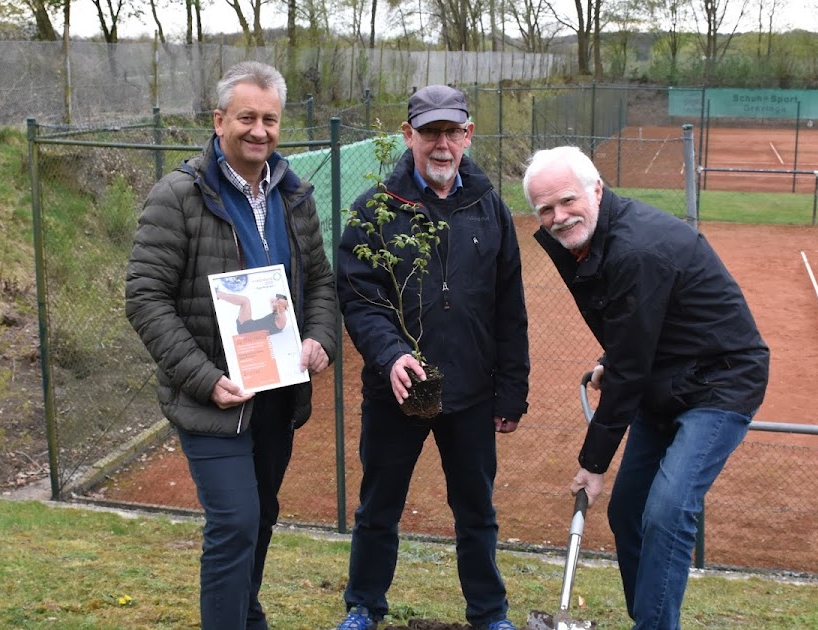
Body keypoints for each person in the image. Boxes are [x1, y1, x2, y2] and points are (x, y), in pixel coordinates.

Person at [125, 61, 337, 630]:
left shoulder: (294, 195)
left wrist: (319, 338)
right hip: (213, 398)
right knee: (236, 521)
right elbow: (145, 298)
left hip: (277, 392)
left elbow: (319, 281)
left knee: (261, 515)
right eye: (246, 117)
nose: (259, 130)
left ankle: (246, 614)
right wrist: (202, 378)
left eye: (270, 119)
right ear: (220, 121)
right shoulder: (178, 195)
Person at [522, 146, 770, 630]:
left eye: (567, 200)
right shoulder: (588, 240)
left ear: (597, 189)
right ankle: (651, 619)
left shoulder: (637, 247)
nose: (557, 217)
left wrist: (593, 466)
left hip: (719, 382)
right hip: (664, 377)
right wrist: (608, 359)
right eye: (544, 209)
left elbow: (633, 364)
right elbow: (635, 321)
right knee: (628, 512)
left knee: (667, 511)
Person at [334, 85, 530, 630]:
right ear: (409, 136)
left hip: (470, 390)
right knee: (378, 509)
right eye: (430, 133)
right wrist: (390, 354)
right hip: (397, 389)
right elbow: (358, 296)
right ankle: (364, 606)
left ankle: (489, 614)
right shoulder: (376, 209)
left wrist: (512, 389)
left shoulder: (489, 205)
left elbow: (508, 306)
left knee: (477, 513)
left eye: (452, 132)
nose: (441, 145)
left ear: (468, 135)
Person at [216, 290, 292, 335]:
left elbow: (280, 304)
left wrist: (281, 301)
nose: (275, 301)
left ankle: (218, 294)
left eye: (278, 300)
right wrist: (278, 300)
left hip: (249, 330)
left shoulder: (281, 318)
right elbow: (271, 300)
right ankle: (218, 293)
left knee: (245, 300)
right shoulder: (276, 313)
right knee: (245, 301)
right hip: (249, 329)